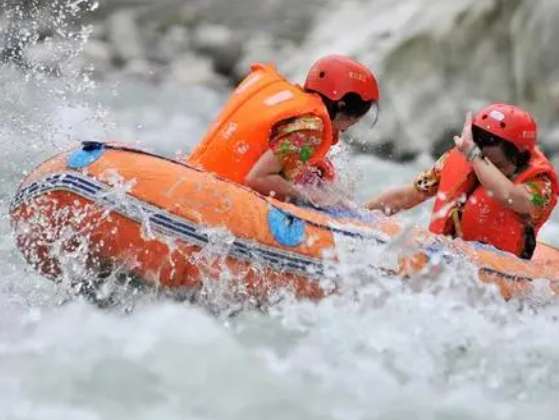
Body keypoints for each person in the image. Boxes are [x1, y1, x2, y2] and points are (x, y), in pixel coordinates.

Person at [365, 103, 558, 259]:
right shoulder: (458, 158)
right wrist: (361, 214)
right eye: (477, 135)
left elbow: (511, 196)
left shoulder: (541, 183)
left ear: (513, 149)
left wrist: (475, 155)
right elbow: (408, 195)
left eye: (488, 139)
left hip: (500, 265)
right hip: (452, 254)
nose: (479, 143)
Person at [187, 55, 380, 204]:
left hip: (197, 179)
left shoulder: (293, 105)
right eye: (358, 116)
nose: (356, 123)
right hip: (219, 198)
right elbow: (258, 179)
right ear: (343, 106)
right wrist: (312, 200)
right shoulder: (310, 130)